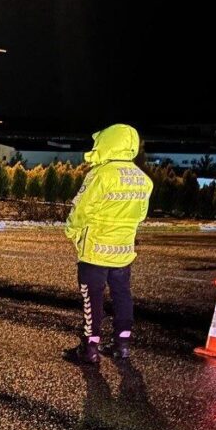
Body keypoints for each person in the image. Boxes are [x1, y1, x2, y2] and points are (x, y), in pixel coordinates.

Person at [64, 124, 154, 364]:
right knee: (123, 295)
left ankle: (90, 347)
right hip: (123, 251)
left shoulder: (100, 174)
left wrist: (71, 230)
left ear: (109, 143)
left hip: (95, 250)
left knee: (92, 298)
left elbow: (82, 208)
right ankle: (122, 344)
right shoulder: (143, 179)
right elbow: (141, 215)